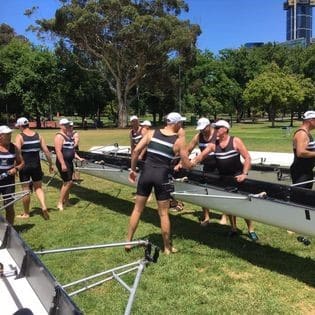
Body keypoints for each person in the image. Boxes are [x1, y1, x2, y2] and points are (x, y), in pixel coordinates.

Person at [126, 112, 194, 254]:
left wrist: (132, 170)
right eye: (180, 123)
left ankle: (128, 242)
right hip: (161, 176)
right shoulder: (178, 141)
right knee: (163, 214)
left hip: (146, 174)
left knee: (137, 209)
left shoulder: (151, 133)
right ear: (176, 124)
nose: (181, 125)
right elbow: (186, 164)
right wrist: (193, 163)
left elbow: (136, 151)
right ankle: (167, 247)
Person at [211, 120, 258, 241]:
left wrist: (244, 173)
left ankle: (251, 229)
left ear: (225, 129)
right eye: (214, 128)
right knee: (230, 204)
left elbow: (247, 157)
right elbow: (202, 155)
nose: (215, 130)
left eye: (217, 128)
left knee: (243, 204)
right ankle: (233, 228)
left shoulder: (235, 141)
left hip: (237, 177)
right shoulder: (214, 143)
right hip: (224, 178)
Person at [186, 117, 226, 226]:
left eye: (204, 128)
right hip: (207, 167)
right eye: (200, 129)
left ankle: (224, 215)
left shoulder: (217, 135)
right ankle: (206, 217)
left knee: (222, 191)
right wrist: (182, 162)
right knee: (204, 191)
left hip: (220, 166)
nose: (202, 131)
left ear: (209, 126)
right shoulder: (198, 136)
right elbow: (188, 149)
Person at [15, 117, 54, 220]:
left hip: (24, 166)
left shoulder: (19, 136)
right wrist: (51, 164)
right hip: (37, 165)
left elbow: (17, 152)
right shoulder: (38, 135)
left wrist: (16, 166)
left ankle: (26, 213)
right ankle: (44, 207)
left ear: (20, 126)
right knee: (38, 188)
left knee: (25, 190)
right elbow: (46, 151)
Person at [54, 118, 83, 211]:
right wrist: (62, 164)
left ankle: (66, 201)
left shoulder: (69, 136)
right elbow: (58, 151)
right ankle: (60, 202)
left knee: (67, 182)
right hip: (63, 162)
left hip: (69, 162)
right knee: (68, 182)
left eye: (68, 125)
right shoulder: (59, 136)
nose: (67, 126)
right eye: (65, 125)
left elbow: (72, 150)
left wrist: (78, 157)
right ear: (61, 126)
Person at [0, 125, 24, 225]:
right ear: (0, 136)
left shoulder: (14, 148)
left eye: (10, 134)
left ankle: (10, 229)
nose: (9, 136)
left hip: (9, 181)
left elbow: (22, 162)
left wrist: (16, 169)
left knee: (9, 205)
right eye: (7, 135)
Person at [290, 110, 315, 189]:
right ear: (310, 120)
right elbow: (300, 152)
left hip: (306, 170)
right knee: (300, 196)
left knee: (306, 196)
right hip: (301, 172)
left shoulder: (307, 133)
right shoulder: (302, 134)